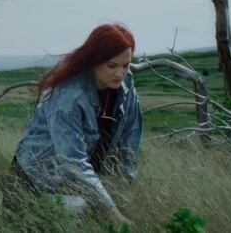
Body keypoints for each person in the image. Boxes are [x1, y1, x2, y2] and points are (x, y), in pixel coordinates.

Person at [13, 23, 142, 226]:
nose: (120, 73)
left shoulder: (126, 84)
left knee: (99, 211)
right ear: (95, 60)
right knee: (75, 213)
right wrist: (112, 211)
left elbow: (130, 142)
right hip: (41, 174)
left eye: (125, 65)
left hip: (83, 173)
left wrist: (122, 190)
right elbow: (72, 162)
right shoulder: (69, 96)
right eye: (112, 65)